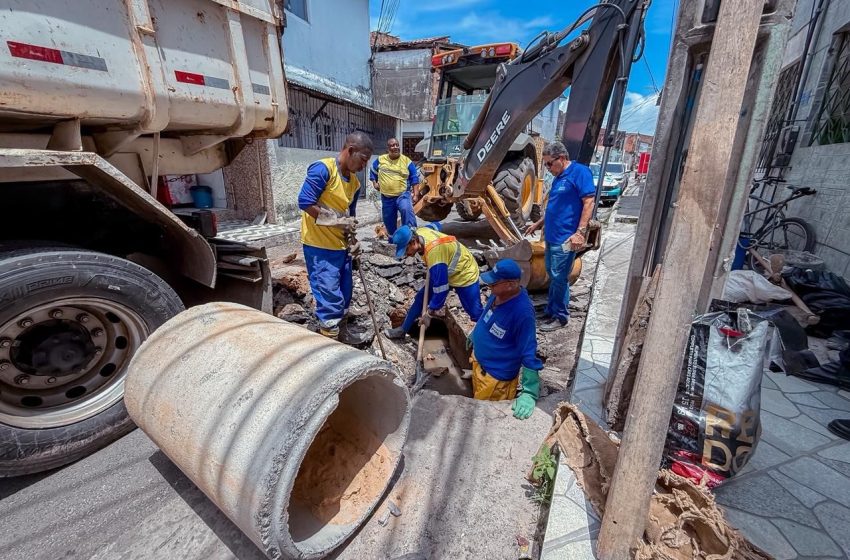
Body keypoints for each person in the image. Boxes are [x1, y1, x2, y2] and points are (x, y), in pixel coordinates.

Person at [298, 131, 373, 339]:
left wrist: (353, 241)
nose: (364, 166)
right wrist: (334, 220)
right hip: (319, 246)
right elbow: (305, 201)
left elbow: (351, 216)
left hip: (341, 248)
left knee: (345, 293)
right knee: (329, 296)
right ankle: (329, 343)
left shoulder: (355, 184)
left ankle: (341, 330)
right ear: (350, 151)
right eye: (363, 160)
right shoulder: (323, 170)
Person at [524, 142, 595, 332]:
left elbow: (588, 202)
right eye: (545, 165)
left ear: (561, 159)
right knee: (553, 275)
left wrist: (579, 232)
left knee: (559, 277)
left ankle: (561, 316)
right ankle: (551, 309)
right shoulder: (558, 177)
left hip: (566, 237)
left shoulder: (580, 173)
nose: (548, 169)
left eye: (549, 164)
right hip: (552, 236)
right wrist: (538, 224)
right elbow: (555, 207)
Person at [469, 259, 543, 420]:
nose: (490, 286)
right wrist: (476, 333)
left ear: (510, 284)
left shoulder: (522, 313)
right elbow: (487, 316)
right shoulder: (498, 295)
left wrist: (529, 392)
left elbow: (529, 352)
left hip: (495, 379)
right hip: (480, 364)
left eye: (494, 284)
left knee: (483, 419)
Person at [384, 224, 483, 338]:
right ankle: (402, 330)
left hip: (464, 273)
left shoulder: (435, 255)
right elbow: (436, 225)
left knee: (475, 312)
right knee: (421, 299)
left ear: (414, 242)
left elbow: (442, 289)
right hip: (445, 268)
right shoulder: (421, 231)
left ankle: (485, 339)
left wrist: (430, 313)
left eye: (406, 249)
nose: (406, 254)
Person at [369, 138, 419, 236]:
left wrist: (416, 194)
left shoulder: (406, 161)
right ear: (388, 148)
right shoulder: (380, 160)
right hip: (386, 197)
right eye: (392, 145)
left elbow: (414, 178)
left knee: (406, 209)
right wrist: (375, 183)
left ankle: (411, 236)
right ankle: (393, 240)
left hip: (403, 195)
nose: (395, 147)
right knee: (389, 220)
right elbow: (373, 170)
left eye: (397, 145)